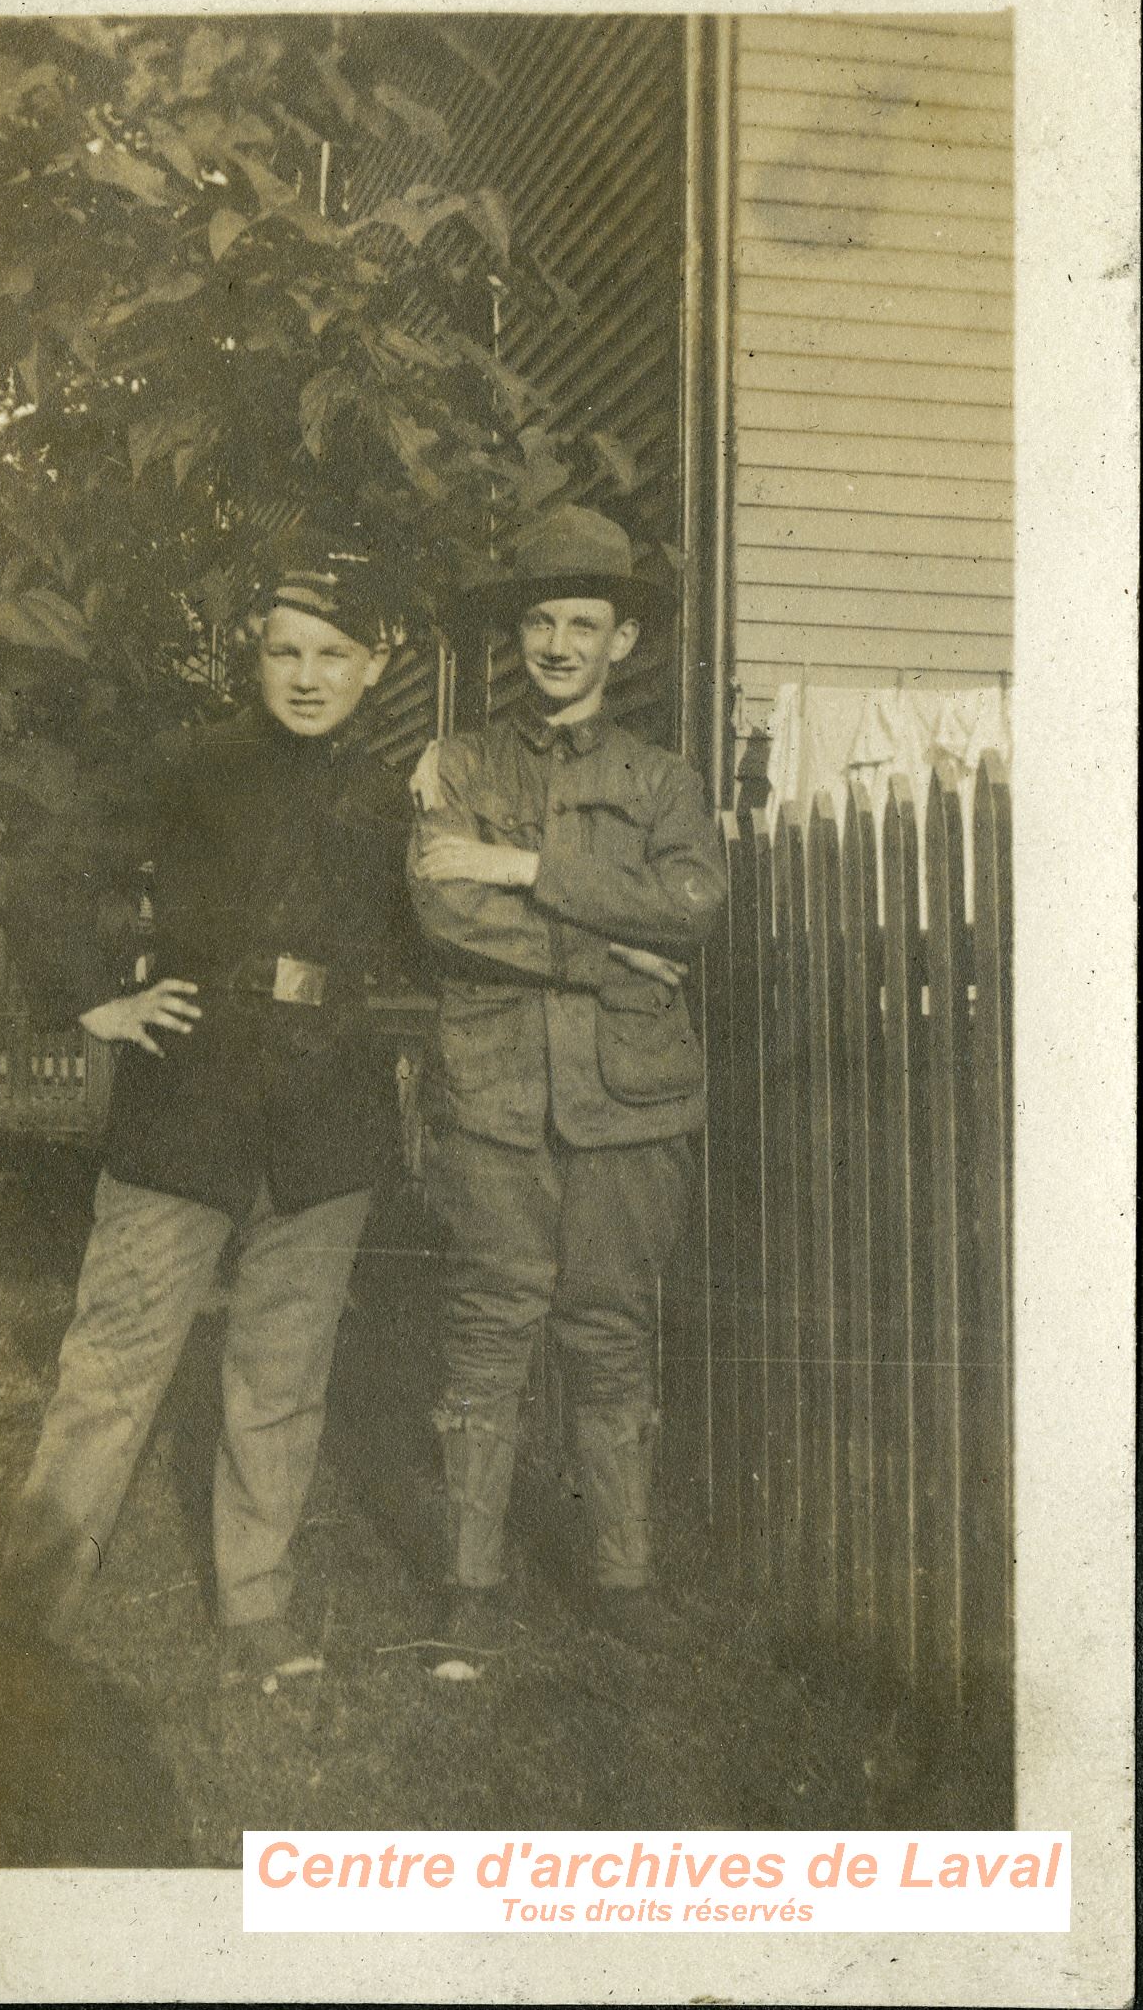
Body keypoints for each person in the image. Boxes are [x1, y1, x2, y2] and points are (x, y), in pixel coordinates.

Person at [0, 550, 414, 1690]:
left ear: (376, 669)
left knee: (281, 1371)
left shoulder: (389, 797)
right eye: (286, 651)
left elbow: (421, 936)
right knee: (114, 1359)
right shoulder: (192, 763)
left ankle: (256, 1607)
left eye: (336, 655)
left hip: (327, 1115)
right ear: (257, 655)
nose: (309, 676)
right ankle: (26, 1615)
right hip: (190, 1096)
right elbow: (40, 867)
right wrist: (96, 995)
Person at [407, 567, 726, 1678]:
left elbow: (692, 910)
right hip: (495, 1089)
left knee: (612, 1328)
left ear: (622, 639)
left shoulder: (662, 778)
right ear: (518, 636)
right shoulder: (458, 765)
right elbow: (445, 912)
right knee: (490, 1322)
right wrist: (609, 952)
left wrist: (528, 864)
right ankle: (470, 1585)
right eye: (539, 621)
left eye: (582, 624)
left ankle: (623, 1583)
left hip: (629, 1099)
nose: (556, 644)